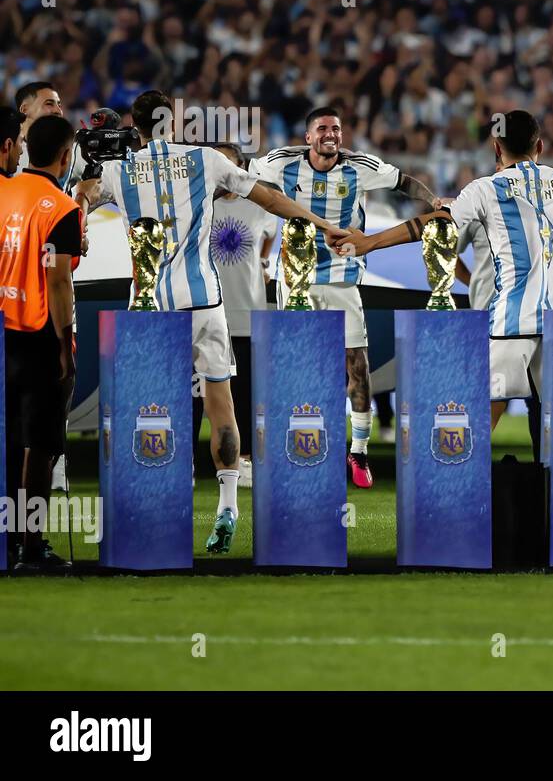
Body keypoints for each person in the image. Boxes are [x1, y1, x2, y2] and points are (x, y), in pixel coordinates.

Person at [75, 89, 347, 554]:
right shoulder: (207, 160)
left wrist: (81, 220)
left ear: (134, 126)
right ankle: (227, 505)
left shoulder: (119, 171)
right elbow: (270, 199)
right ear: (174, 121)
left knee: (149, 411)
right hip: (203, 300)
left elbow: (78, 197)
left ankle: (150, 509)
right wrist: (323, 226)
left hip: (149, 305)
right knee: (221, 404)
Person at [329, 110, 553, 430]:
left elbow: (434, 224)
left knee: (486, 413)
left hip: (512, 321)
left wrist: (370, 242)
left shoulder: (484, 189)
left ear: (497, 150)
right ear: (540, 146)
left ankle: (462, 489)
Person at [249, 107, 439, 488]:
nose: (330, 135)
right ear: (308, 137)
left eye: (336, 128)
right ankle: (296, 447)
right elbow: (238, 171)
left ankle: (359, 451)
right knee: (296, 367)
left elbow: (403, 181)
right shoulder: (279, 162)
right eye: (322, 129)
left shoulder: (359, 167)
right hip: (296, 280)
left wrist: (435, 203)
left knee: (357, 364)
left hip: (343, 276)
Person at [0, 116, 80, 570]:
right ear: (67, 156)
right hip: (37, 336)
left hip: (2, 331)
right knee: (41, 443)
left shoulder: (4, 191)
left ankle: (7, 542)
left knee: (8, 439)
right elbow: (58, 282)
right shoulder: (61, 208)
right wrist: (65, 344)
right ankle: (31, 546)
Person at [201, 143, 277, 487]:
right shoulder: (203, 207)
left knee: (246, 390)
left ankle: (244, 459)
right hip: (209, 312)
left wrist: (263, 261)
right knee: (202, 391)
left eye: (228, 165)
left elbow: (273, 237)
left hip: (249, 312)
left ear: (241, 168)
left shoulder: (259, 207)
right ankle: (188, 462)